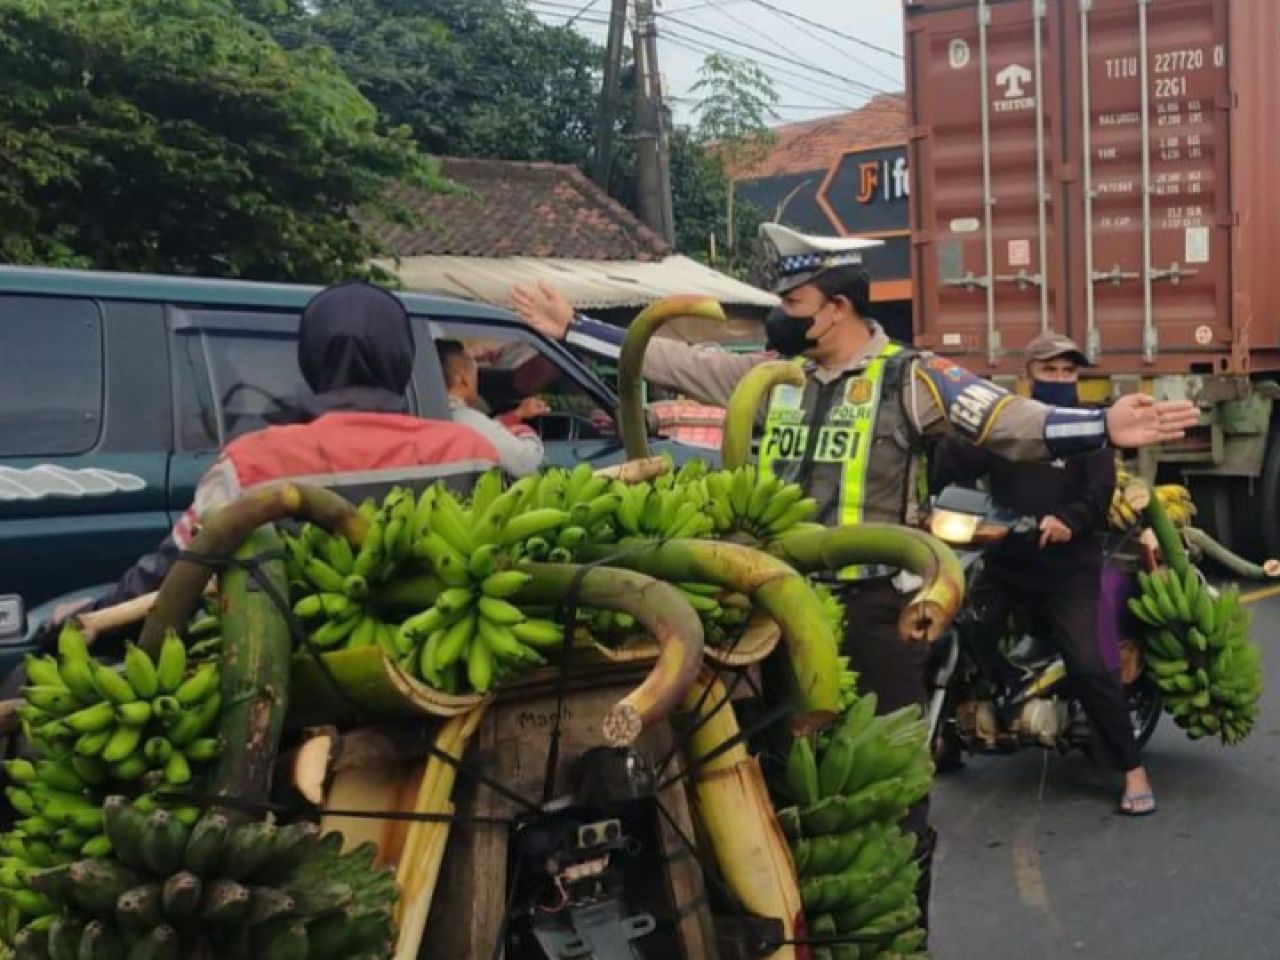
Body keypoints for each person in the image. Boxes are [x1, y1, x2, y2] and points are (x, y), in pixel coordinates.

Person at [511, 222, 1198, 926]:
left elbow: (1005, 419)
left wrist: (1099, 426)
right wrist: (574, 328)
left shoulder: (912, 377)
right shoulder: (770, 379)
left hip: (875, 607)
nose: (783, 311)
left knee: (888, 782)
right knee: (771, 770)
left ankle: (898, 923)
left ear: (836, 306)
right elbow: (676, 365)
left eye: (795, 298)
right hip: (775, 606)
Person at [76, 282, 502, 617]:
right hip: (439, 655)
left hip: (287, 673)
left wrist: (87, 619)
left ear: (309, 359)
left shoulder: (253, 461)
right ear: (403, 360)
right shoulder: (471, 450)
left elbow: (174, 573)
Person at [931, 332, 1155, 816]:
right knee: (964, 629)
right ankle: (995, 700)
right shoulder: (1008, 429)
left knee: (1089, 665)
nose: (1059, 379)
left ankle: (1133, 770)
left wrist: (1068, 521)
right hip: (1006, 561)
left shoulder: (1089, 430)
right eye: (1048, 371)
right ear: (1026, 376)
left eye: (1068, 372)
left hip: (1069, 571)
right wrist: (937, 438)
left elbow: (1099, 494)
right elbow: (958, 460)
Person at [436, 339, 547, 478]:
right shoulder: (463, 418)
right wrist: (526, 432)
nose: (477, 378)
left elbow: (485, 431)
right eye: (474, 371)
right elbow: (527, 463)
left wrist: (517, 415)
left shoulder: (434, 411)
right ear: (463, 377)